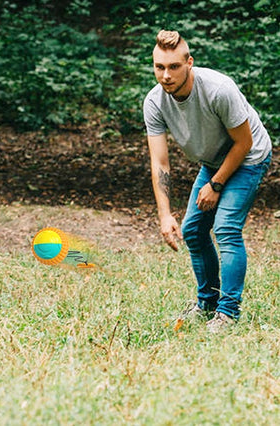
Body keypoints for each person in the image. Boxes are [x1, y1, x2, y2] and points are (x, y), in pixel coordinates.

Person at [143, 30, 272, 332]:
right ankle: (207, 304)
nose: (166, 75)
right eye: (159, 67)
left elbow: (244, 143)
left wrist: (215, 185)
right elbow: (160, 162)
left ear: (189, 63)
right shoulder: (154, 102)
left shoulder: (218, 89)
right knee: (192, 230)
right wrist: (164, 214)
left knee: (226, 228)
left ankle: (228, 312)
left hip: (249, 156)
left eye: (174, 66)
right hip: (214, 160)